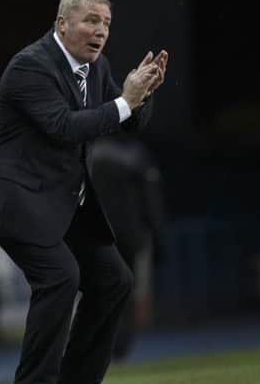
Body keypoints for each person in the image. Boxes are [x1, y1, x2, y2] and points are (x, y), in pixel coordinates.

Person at [0, 0, 168, 384]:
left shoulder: (97, 67)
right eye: (91, 20)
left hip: (61, 201)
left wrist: (144, 93)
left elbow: (128, 123)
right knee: (59, 277)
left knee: (114, 281)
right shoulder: (30, 67)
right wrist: (126, 101)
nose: (101, 30)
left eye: (106, 23)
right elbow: (64, 128)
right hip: (16, 200)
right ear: (61, 23)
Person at [90, 134, 167, 359]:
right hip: (129, 234)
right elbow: (151, 200)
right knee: (125, 290)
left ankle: (100, 344)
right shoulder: (136, 154)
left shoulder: (91, 151)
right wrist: (158, 238)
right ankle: (119, 345)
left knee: (98, 290)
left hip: (97, 234)